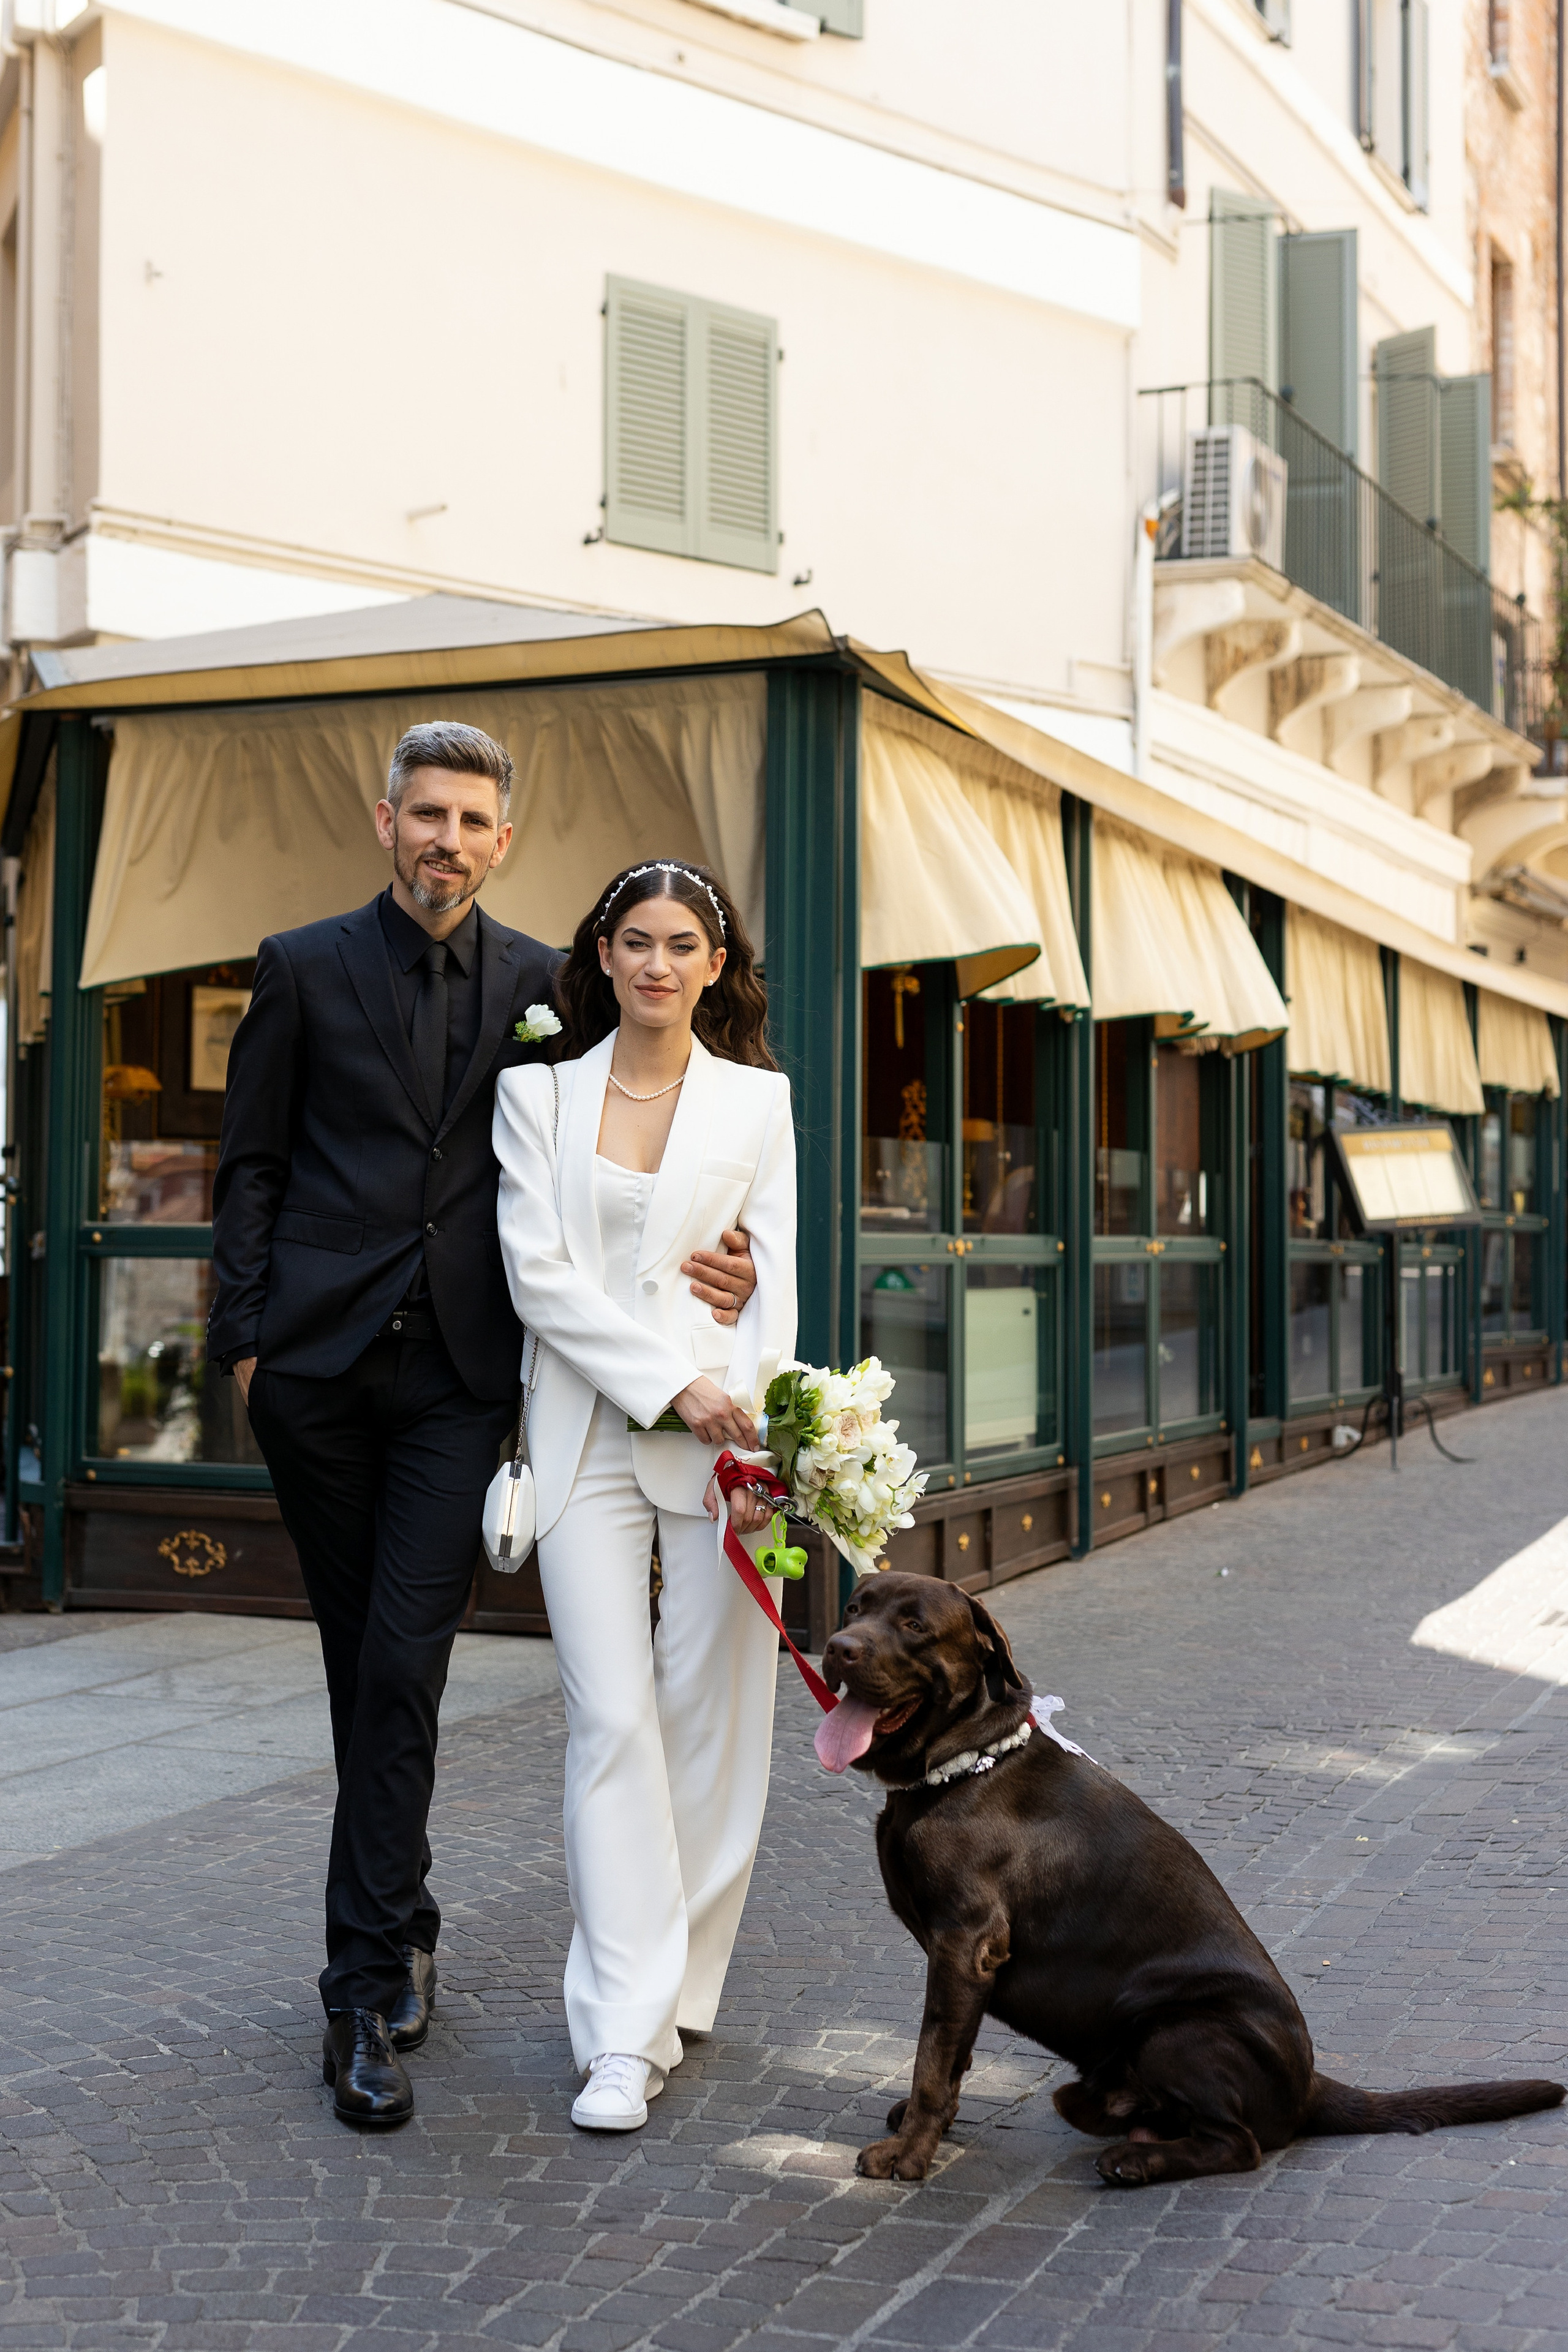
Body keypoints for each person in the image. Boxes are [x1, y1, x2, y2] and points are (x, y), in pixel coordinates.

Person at [208, 726, 757, 2129]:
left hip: (466, 1382)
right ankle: (405, 1907)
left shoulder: (541, 988)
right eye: (427, 814)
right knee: (365, 1668)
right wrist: (247, 1345)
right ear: (384, 820)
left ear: (503, 842)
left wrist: (731, 1252)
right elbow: (252, 1166)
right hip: (319, 1376)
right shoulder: (302, 966)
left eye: (474, 821)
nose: (449, 839)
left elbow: (621, 1148)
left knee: (401, 1662)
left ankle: (358, 1990)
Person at [493, 858, 796, 2132]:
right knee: (609, 1722)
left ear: (713, 967)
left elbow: (773, 1275)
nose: (657, 963)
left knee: (712, 1719)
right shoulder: (535, 1095)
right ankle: (619, 2036)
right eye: (635, 941)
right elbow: (536, 1277)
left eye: (682, 944)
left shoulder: (758, 1103)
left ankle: (679, 1986)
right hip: (583, 1443)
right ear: (601, 955)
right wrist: (674, 1383)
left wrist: (768, 1450)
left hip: (721, 1443)